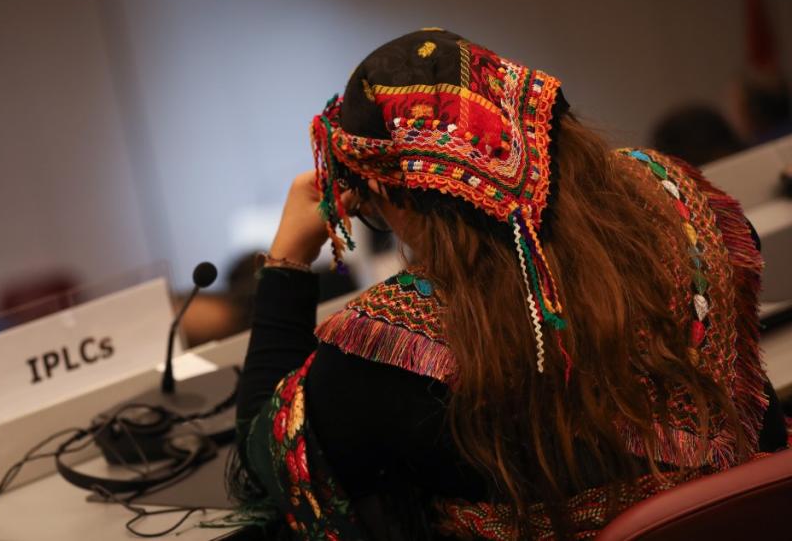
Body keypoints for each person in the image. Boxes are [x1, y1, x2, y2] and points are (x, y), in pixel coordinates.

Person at [233, 29, 787, 540]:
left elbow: (275, 457)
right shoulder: (672, 193)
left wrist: (285, 263)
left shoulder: (388, 343)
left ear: (394, 197)